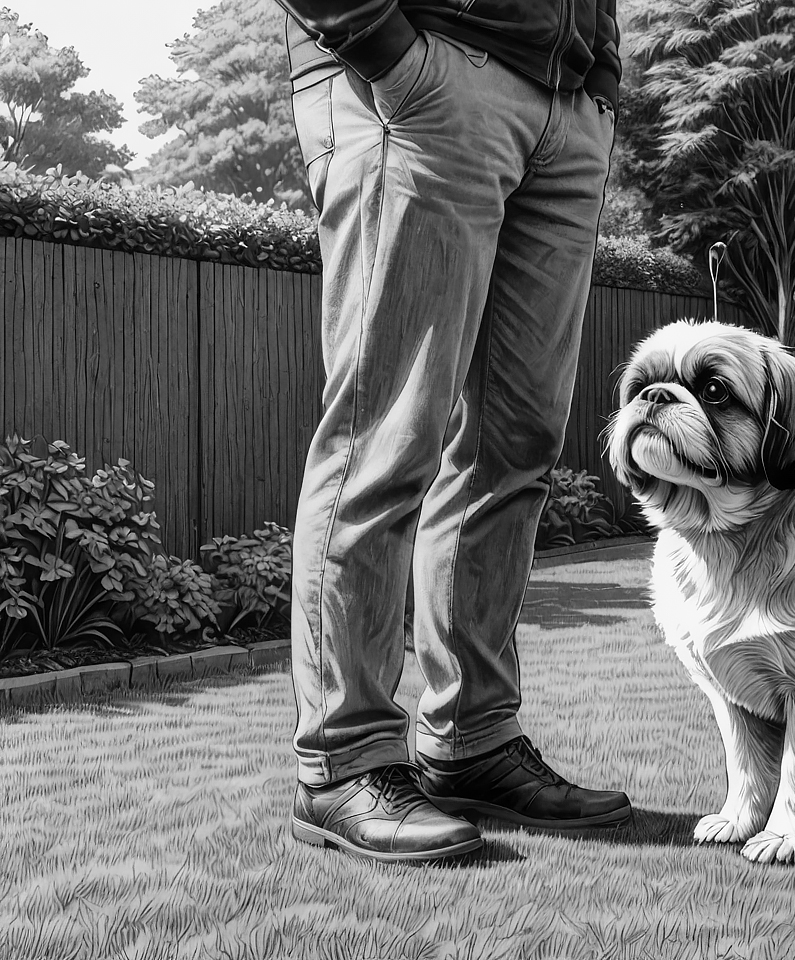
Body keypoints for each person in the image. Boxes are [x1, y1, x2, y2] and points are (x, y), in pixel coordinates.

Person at [275, 0, 631, 863]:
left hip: (564, 101)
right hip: (421, 72)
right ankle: (343, 758)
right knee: (385, 435)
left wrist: (599, 83)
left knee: (516, 450)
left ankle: (473, 737)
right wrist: (384, 46)